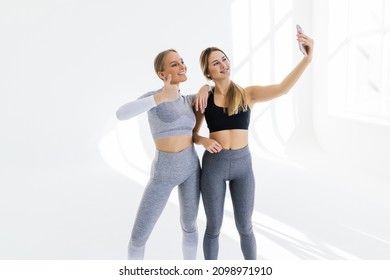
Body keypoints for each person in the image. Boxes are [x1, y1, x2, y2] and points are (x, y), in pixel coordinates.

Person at [192, 30, 314, 259]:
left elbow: (283, 88)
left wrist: (307, 59)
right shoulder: (204, 99)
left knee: (245, 227)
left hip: (242, 165)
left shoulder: (247, 94)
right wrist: (205, 140)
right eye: (216, 63)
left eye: (224, 59)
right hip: (214, 167)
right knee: (213, 227)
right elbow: (193, 134)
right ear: (208, 72)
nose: (223, 65)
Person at [116, 49, 209, 260]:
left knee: (190, 226)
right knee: (139, 237)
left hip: (191, 169)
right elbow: (121, 114)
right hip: (163, 174)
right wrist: (160, 98)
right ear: (161, 73)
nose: (182, 66)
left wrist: (206, 86)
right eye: (174, 64)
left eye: (182, 62)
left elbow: (217, 92)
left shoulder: (189, 100)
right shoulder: (153, 98)